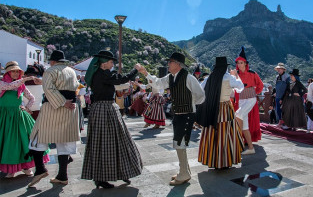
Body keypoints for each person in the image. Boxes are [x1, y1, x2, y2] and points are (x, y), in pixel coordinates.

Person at [138, 52, 205, 186]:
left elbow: (201, 96)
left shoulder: (189, 78)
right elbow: (157, 83)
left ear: (178, 64)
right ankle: (184, 171)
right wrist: (145, 73)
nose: (168, 64)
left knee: (179, 143)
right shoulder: (171, 77)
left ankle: (184, 173)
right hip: (179, 113)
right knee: (179, 143)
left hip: (186, 114)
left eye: (170, 62)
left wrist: (189, 104)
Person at [81, 50, 143, 189]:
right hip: (104, 109)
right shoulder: (101, 75)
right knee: (106, 143)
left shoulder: (104, 74)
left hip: (107, 108)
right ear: (103, 64)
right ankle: (101, 177)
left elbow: (118, 79)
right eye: (110, 62)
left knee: (115, 141)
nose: (112, 64)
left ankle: (120, 171)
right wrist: (135, 70)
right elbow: (120, 80)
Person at [27, 50, 80, 187]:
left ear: (52, 61)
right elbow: (69, 88)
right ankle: (62, 175)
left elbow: (50, 89)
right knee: (64, 143)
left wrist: (62, 102)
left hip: (53, 108)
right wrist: (67, 102)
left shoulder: (50, 71)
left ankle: (40, 169)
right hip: (70, 109)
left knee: (37, 137)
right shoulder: (71, 71)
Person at [0, 61, 48, 178]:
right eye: (13, 71)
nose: (16, 73)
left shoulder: (21, 85)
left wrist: (25, 107)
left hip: (18, 116)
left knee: (24, 141)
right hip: (4, 116)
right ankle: (11, 169)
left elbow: (31, 98)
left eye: (18, 71)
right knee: (7, 142)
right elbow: (9, 86)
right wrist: (24, 80)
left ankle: (26, 167)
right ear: (8, 72)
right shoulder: (2, 83)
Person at [197, 57, 245, 169]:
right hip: (225, 108)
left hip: (211, 108)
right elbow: (240, 88)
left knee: (212, 131)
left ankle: (212, 159)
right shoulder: (229, 77)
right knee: (226, 132)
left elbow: (200, 89)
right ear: (225, 67)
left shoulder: (209, 78)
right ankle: (224, 159)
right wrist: (236, 75)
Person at [233, 47, 263, 154]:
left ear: (245, 63)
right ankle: (251, 148)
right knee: (244, 125)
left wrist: (255, 92)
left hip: (250, 98)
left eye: (241, 62)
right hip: (241, 100)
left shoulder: (252, 73)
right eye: (238, 63)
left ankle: (236, 143)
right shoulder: (236, 74)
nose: (239, 64)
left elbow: (260, 85)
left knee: (237, 115)